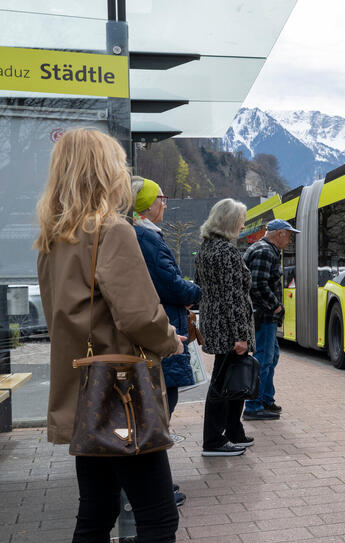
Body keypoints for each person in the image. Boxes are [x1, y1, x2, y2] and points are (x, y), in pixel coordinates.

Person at [35, 128, 184, 542]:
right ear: (104, 172)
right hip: (122, 396)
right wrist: (170, 339)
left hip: (84, 393)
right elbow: (138, 317)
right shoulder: (112, 231)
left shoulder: (52, 240)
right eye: (118, 164)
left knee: (96, 513)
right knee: (158, 518)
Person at [131, 176, 202, 506]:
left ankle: (148, 486)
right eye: (161, 197)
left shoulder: (141, 235)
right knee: (158, 413)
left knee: (154, 413)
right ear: (145, 203)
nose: (166, 203)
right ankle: (150, 490)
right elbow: (170, 284)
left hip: (158, 329)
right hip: (162, 334)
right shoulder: (148, 238)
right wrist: (194, 292)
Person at [195, 198, 254, 457]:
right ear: (230, 222)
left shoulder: (206, 249)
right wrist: (241, 335)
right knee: (223, 383)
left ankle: (232, 430)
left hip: (214, 322)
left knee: (228, 380)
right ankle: (214, 440)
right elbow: (233, 297)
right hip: (229, 328)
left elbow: (200, 287)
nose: (243, 224)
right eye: (240, 219)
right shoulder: (227, 252)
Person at [242, 218, 299, 421]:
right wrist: (276, 304)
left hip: (264, 316)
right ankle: (254, 406)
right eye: (289, 234)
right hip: (264, 315)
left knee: (270, 357)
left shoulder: (263, 249)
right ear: (280, 233)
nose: (290, 239)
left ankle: (266, 399)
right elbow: (257, 284)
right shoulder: (265, 251)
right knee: (263, 360)